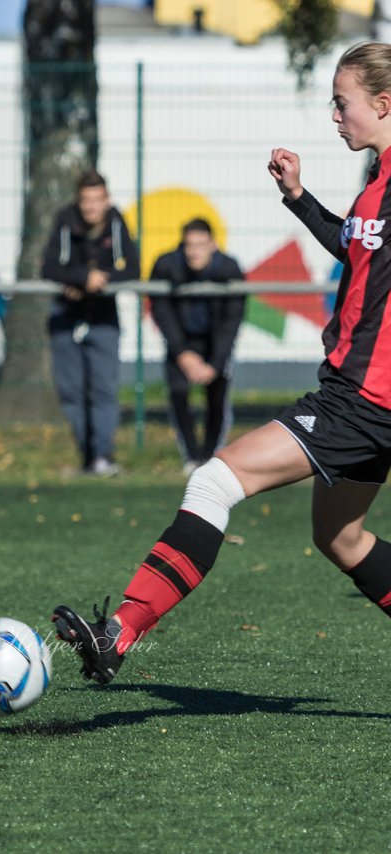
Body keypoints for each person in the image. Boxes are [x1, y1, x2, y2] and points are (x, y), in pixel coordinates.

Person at [51, 42, 391, 686]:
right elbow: (356, 249)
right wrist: (298, 197)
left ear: (382, 103)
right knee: (342, 539)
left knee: (213, 482)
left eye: (341, 103)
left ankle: (118, 632)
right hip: (367, 399)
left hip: (360, 399)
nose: (334, 116)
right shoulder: (378, 183)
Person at [40, 170, 141, 476]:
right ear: (79, 201)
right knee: (71, 391)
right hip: (65, 316)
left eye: (97, 200)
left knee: (103, 390)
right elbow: (49, 267)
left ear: (106, 200)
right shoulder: (65, 220)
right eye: (86, 201)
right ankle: (87, 457)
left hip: (103, 317)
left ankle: (103, 456)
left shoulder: (116, 222)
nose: (91, 207)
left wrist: (101, 281)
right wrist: (84, 278)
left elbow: (133, 268)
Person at [149, 219, 246, 472]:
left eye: (200, 245)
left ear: (213, 245)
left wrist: (215, 364)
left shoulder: (229, 270)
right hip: (182, 342)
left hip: (215, 344)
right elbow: (162, 311)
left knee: (217, 400)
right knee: (178, 394)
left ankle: (211, 456)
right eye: (189, 245)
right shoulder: (167, 265)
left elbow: (231, 321)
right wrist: (182, 353)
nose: (194, 252)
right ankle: (191, 458)